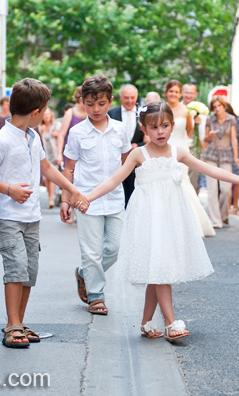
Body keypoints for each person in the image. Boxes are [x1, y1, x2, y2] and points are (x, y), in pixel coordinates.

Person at [81, 102, 239, 341]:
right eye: (154, 127)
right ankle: (171, 322)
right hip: (147, 219)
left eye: (165, 126)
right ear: (144, 129)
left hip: (171, 218)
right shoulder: (139, 154)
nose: (160, 132)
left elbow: (209, 169)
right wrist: (87, 197)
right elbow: (114, 180)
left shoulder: (178, 151)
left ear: (172, 127)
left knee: (157, 269)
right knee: (161, 270)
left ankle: (147, 322)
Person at [0, 78, 88, 348]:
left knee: (29, 271)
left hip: (31, 215)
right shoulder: (2, 140)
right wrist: (9, 189)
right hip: (7, 214)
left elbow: (47, 169)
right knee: (15, 269)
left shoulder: (32, 136)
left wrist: (73, 190)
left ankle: (20, 323)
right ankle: (12, 326)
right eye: (46, 109)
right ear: (35, 112)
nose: (46, 114)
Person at [62, 76, 132, 316]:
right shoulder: (77, 132)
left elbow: (126, 165)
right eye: (90, 104)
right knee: (91, 252)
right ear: (83, 102)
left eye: (101, 103)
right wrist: (65, 199)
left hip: (114, 200)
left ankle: (84, 272)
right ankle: (96, 296)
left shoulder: (120, 130)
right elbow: (68, 168)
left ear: (110, 101)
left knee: (115, 247)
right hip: (84, 200)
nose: (96, 109)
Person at [165, 80, 215, 237]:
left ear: (180, 94)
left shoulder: (186, 110)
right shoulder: (161, 109)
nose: (173, 94)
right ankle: (169, 222)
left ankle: (192, 224)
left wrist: (195, 122)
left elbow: (189, 133)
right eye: (171, 91)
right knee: (166, 183)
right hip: (164, 150)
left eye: (176, 92)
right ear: (166, 92)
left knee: (182, 182)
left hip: (180, 148)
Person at [202, 97, 239, 227]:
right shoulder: (210, 119)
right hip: (212, 154)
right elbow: (205, 138)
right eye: (214, 106)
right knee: (212, 189)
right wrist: (210, 136)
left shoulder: (231, 119)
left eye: (219, 106)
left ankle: (222, 215)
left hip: (226, 154)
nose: (217, 109)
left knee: (226, 189)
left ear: (224, 106)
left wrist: (236, 157)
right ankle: (215, 220)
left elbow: (234, 139)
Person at [108, 84, 145, 206]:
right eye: (126, 97)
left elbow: (149, 138)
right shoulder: (111, 114)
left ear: (136, 97)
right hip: (116, 159)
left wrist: (137, 145)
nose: (129, 101)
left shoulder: (144, 114)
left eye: (132, 97)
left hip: (138, 161)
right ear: (120, 97)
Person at [55, 86, 87, 165]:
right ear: (80, 99)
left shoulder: (91, 113)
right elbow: (61, 135)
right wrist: (59, 154)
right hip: (72, 152)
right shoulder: (70, 113)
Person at [39, 108, 60, 208]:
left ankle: (51, 200)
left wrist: (57, 135)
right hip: (45, 155)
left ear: (51, 116)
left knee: (52, 177)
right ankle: (51, 196)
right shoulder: (40, 127)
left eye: (48, 114)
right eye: (45, 114)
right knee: (46, 178)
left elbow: (62, 138)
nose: (46, 116)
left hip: (54, 155)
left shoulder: (56, 126)